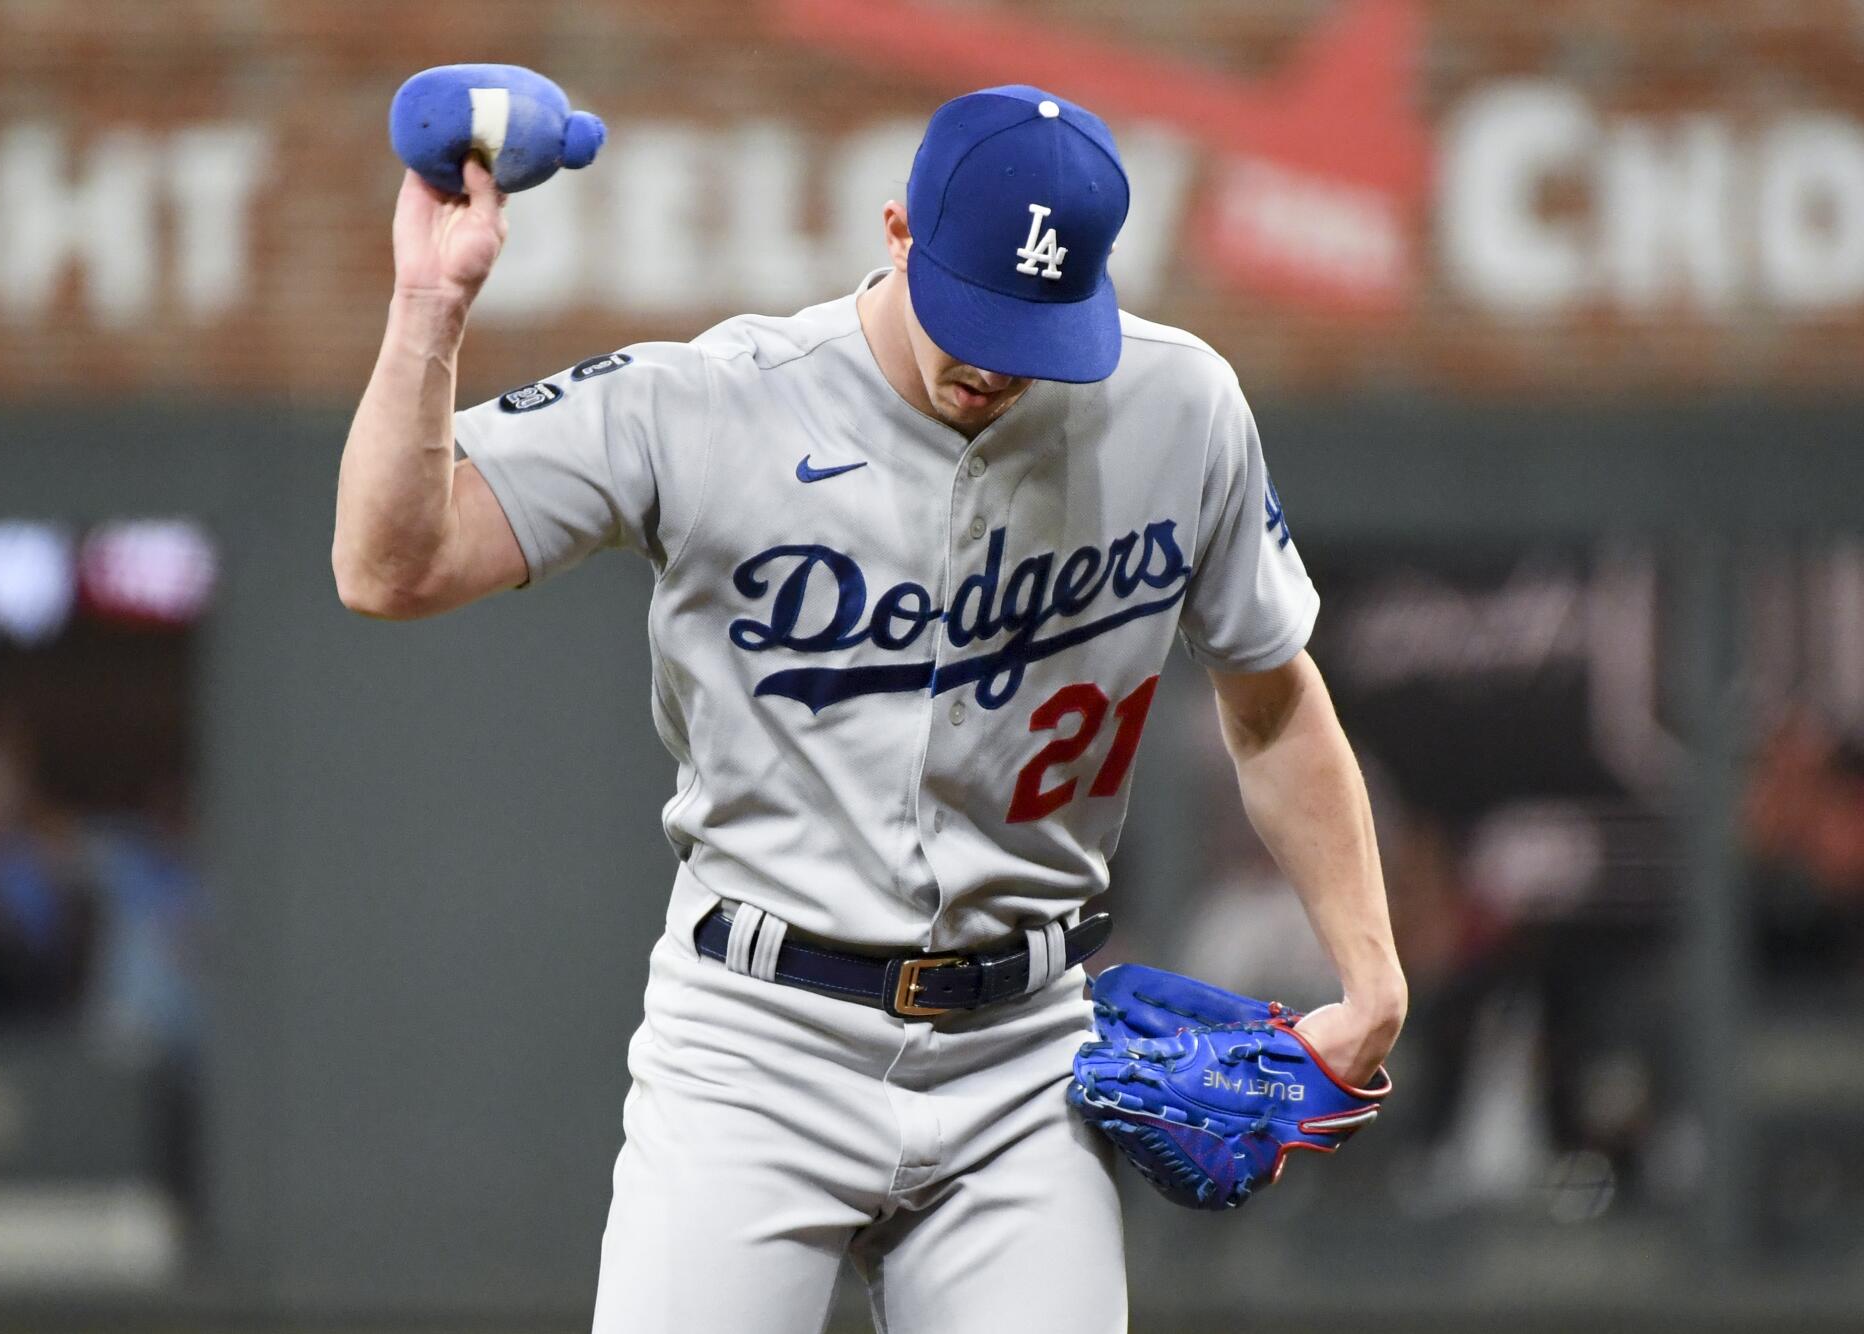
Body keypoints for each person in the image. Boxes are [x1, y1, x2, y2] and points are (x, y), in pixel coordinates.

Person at [333, 84, 1405, 1334]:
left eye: (1032, 326)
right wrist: (429, 308)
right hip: (754, 1045)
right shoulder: (715, 400)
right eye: (971, 312)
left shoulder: (1180, 408)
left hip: (1022, 1056)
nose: (992, 360)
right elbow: (387, 567)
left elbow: (1270, 703)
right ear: (896, 231)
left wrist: (1370, 973)